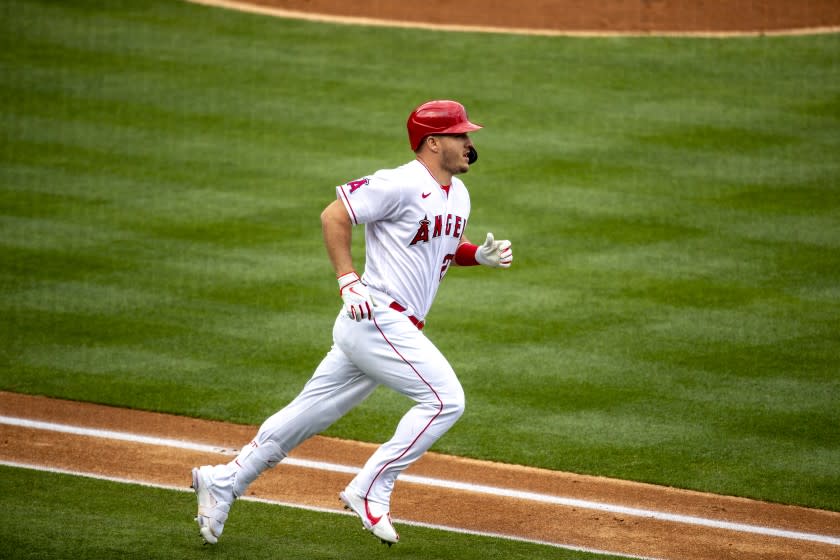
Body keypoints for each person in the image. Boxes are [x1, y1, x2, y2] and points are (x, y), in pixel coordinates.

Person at [191, 99, 513, 546]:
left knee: (306, 416)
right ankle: (370, 486)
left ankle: (224, 480)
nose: (469, 142)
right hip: (377, 317)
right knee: (445, 400)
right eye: (460, 135)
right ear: (433, 142)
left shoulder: (458, 194)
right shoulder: (398, 183)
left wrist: (477, 255)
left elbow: (439, 245)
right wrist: (348, 279)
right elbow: (334, 215)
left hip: (381, 329)